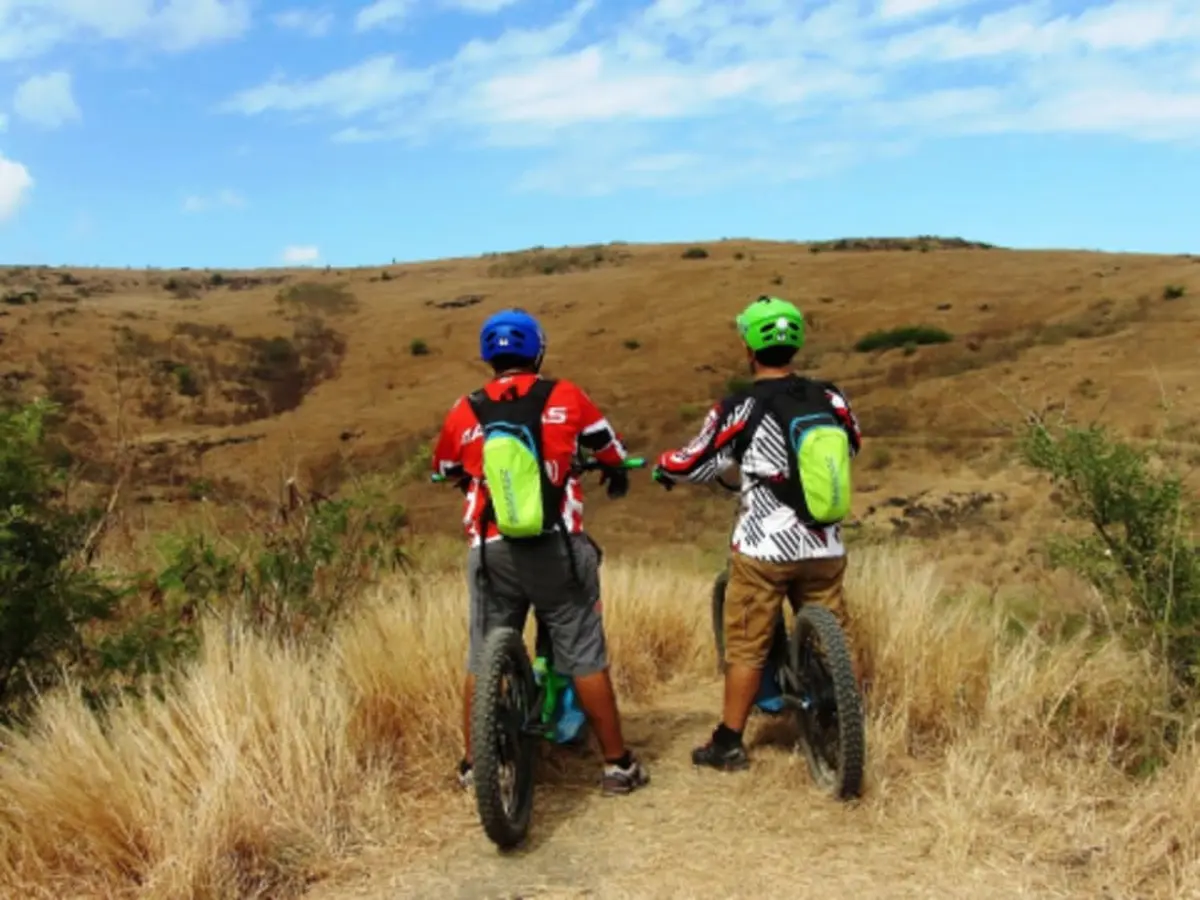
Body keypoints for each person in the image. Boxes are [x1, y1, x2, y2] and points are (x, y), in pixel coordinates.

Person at [431, 307, 650, 796]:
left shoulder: (463, 407)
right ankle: (617, 765)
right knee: (585, 651)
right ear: (538, 350)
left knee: (481, 657)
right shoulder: (565, 395)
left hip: (491, 549)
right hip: (556, 546)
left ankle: (473, 766)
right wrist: (613, 469)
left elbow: (444, 466)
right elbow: (610, 448)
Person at [652, 295, 863, 771]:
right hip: (825, 542)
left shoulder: (741, 406)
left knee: (747, 640)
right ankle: (847, 724)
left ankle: (728, 742)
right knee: (836, 633)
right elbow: (852, 444)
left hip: (765, 547)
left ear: (749, 347)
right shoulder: (829, 396)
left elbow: (697, 461)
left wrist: (665, 466)